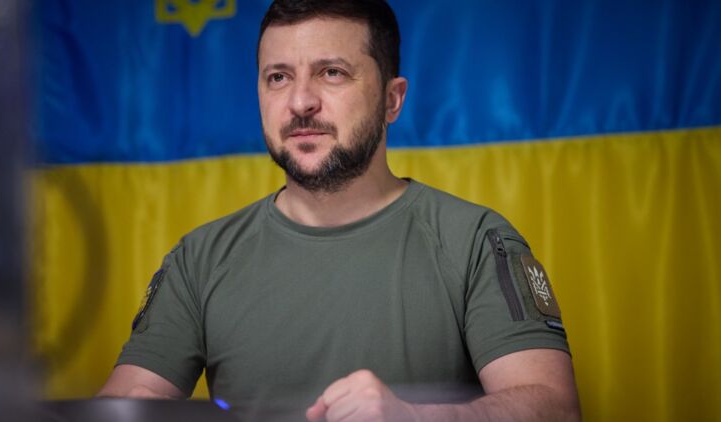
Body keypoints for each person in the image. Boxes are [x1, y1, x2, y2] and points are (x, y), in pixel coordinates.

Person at [98, 1, 581, 420]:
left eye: (332, 73)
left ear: (392, 100)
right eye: (278, 77)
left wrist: (416, 418)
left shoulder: (474, 240)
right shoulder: (198, 259)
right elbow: (130, 400)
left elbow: (555, 408)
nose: (300, 102)